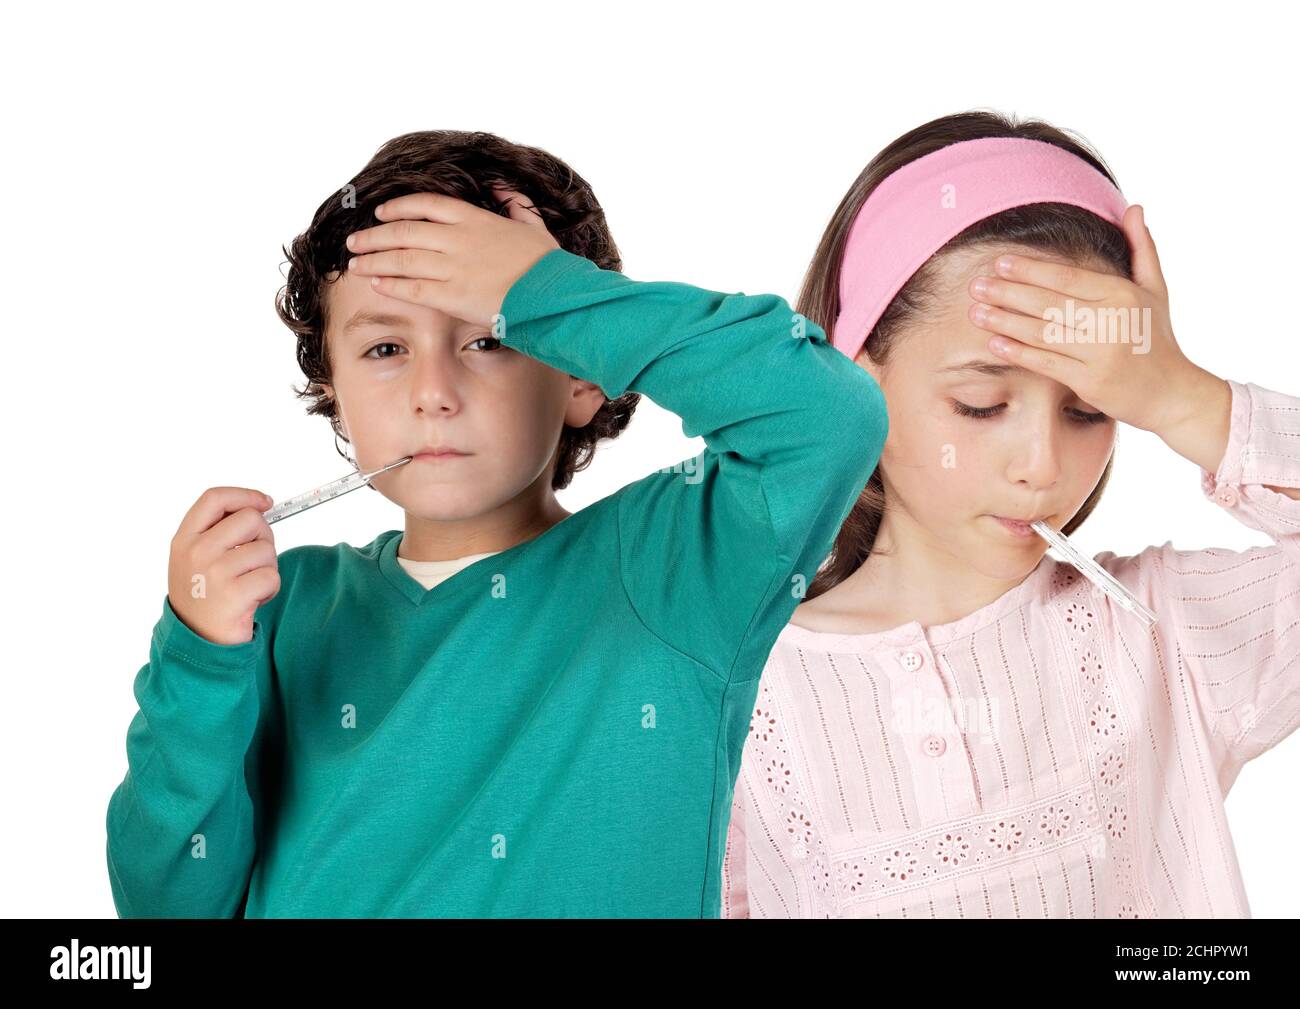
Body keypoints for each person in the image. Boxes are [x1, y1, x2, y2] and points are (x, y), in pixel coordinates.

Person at [104, 130, 888, 917]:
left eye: (488, 337)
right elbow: (164, 906)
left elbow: (826, 418)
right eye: (384, 346)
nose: (433, 390)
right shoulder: (277, 610)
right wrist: (200, 659)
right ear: (332, 391)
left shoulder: (674, 568)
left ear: (584, 376)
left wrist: (544, 291)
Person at [722, 111, 1300, 918]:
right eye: (982, 403)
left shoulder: (1165, 636)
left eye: (1092, 410)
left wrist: (1183, 397)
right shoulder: (738, 699)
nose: (1042, 466)